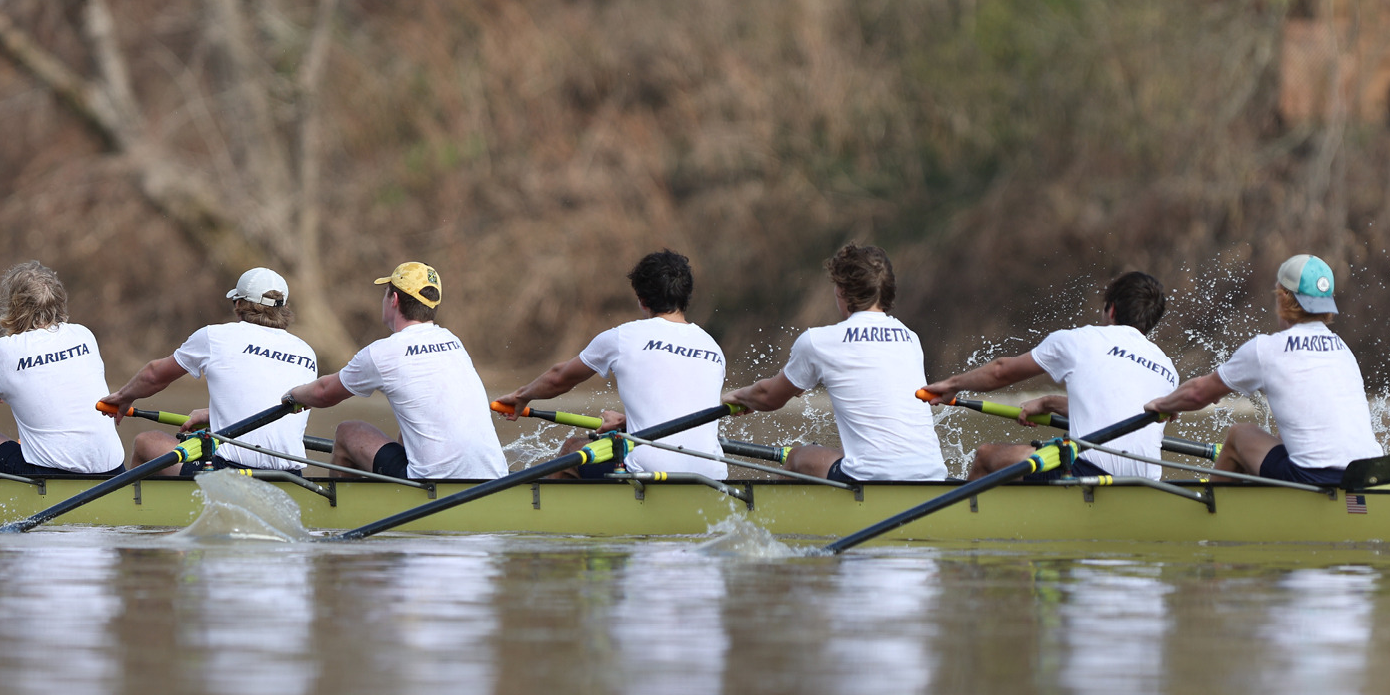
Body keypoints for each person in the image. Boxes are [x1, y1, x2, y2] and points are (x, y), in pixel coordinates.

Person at [1146, 254, 1382, 486]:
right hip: (1368, 475)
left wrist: (1163, 405)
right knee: (1283, 440)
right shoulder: (1343, 350)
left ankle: (1209, 513)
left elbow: (1199, 393)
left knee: (1240, 435)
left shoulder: (1267, 349)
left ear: (1283, 298)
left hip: (1315, 479)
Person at [494, 249, 728, 479]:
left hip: (650, 471)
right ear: (686, 296)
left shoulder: (624, 337)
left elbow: (559, 378)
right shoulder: (712, 347)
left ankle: (553, 516)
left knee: (572, 449)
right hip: (713, 472)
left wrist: (521, 396)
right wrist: (630, 422)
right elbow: (679, 404)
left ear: (642, 299)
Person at [722, 243, 947, 482]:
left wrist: (738, 396)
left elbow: (768, 397)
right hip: (932, 476)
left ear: (842, 291)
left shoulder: (819, 341)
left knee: (799, 457)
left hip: (872, 480)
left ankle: (773, 518)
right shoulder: (910, 338)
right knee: (845, 455)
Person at [921, 271, 1176, 480]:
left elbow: (1001, 371)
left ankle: (971, 532)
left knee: (986, 457)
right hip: (1145, 482)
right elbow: (1115, 411)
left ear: (1111, 310)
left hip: (1088, 473)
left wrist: (952, 385)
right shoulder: (1168, 369)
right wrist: (1048, 403)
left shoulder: (1080, 340)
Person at [282, 261, 508, 480]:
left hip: (436, 485)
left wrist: (293, 396)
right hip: (493, 478)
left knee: (348, 432)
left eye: (385, 293)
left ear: (394, 299)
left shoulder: (382, 353)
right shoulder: (453, 342)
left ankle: (340, 512)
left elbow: (324, 392)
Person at [100, 267, 317, 476]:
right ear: (284, 308)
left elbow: (154, 375)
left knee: (146, 442)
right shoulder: (306, 352)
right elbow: (264, 399)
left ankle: (145, 511)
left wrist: (123, 397)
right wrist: (215, 415)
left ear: (239, 304)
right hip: (290, 476)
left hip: (229, 471)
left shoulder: (216, 336)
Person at [0, 260, 125, 476]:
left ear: (14, 307)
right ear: (58, 301)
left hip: (52, 479)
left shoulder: (3, 351)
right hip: (113, 473)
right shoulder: (84, 335)